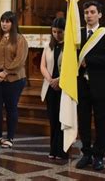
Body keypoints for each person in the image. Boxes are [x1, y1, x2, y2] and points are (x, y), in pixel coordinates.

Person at [75, 1, 105, 171]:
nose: (89, 15)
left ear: (100, 14)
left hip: (100, 86)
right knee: (84, 122)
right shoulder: (78, 35)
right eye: (86, 12)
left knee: (101, 123)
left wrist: (89, 61)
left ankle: (99, 156)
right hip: (82, 86)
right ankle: (86, 153)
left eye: (92, 12)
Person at [0, 11, 28, 148]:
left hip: (14, 79)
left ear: (13, 23)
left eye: (7, 21)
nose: (4, 24)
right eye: (2, 21)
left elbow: (20, 60)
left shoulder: (20, 39)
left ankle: (10, 138)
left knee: (11, 108)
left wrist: (5, 72)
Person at [40, 17, 68, 159]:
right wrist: (50, 80)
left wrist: (59, 80)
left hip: (64, 87)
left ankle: (62, 150)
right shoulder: (48, 45)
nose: (57, 35)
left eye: (60, 32)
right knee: (52, 119)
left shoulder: (69, 47)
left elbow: (71, 68)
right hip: (50, 86)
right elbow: (42, 66)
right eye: (54, 31)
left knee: (62, 119)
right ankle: (53, 149)